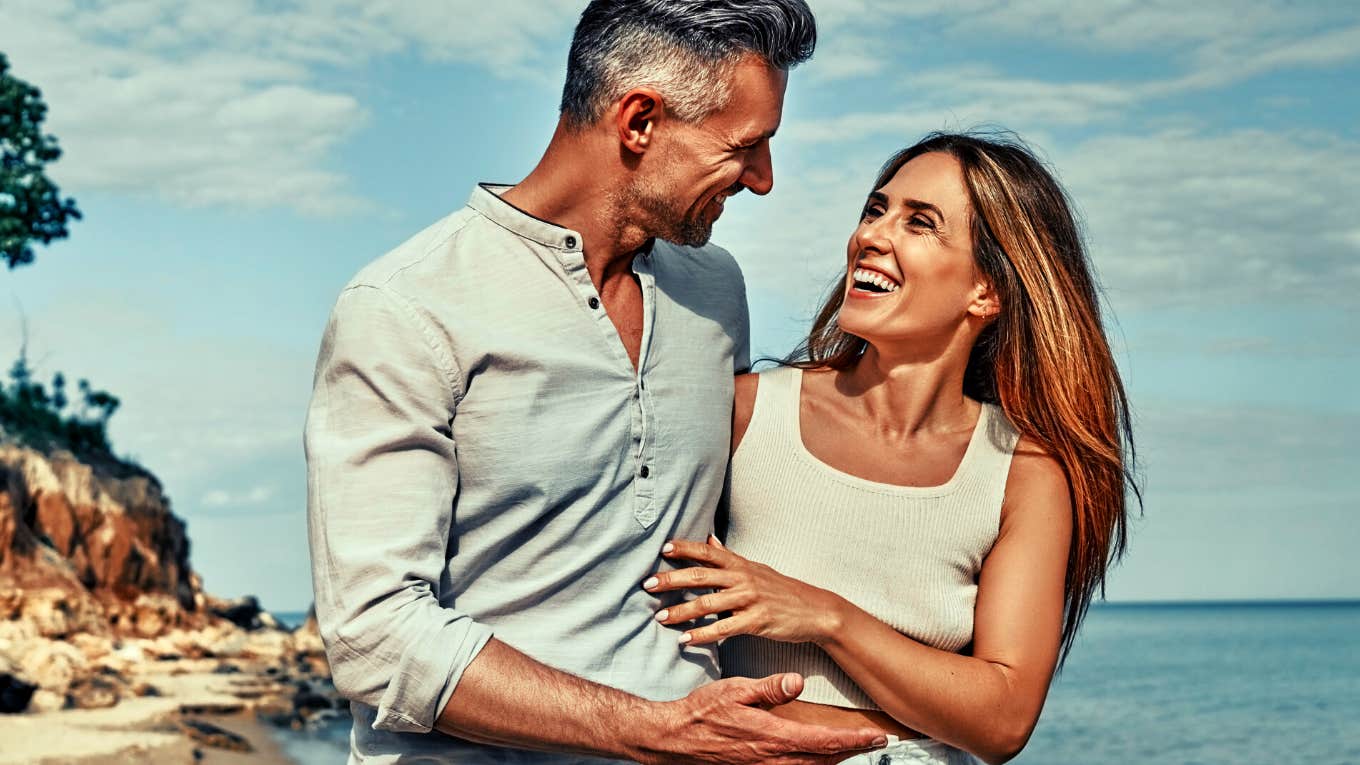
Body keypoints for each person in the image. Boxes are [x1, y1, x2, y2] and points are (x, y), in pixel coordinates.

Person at [303, 1, 888, 763]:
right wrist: (650, 730)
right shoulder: (405, 308)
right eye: (746, 147)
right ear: (639, 121)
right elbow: (374, 637)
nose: (763, 179)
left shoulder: (715, 291)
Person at [644, 132, 1139, 765]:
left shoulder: (1022, 473)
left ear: (985, 292)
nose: (872, 236)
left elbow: (1005, 719)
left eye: (920, 224)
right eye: (875, 210)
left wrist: (825, 616)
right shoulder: (746, 412)